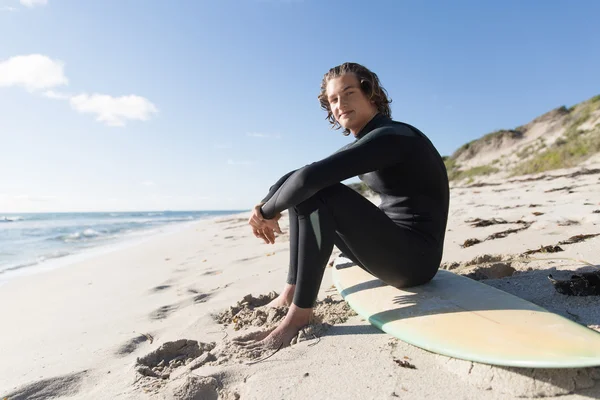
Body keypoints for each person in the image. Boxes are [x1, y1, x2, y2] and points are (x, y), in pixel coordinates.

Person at [237, 62, 450, 351]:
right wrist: (265, 203)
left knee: (319, 192)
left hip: (415, 262)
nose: (340, 104)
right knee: (310, 189)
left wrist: (265, 213)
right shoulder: (372, 138)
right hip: (395, 251)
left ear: (370, 93)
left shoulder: (393, 137)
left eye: (348, 93)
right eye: (333, 100)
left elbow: (308, 179)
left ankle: (299, 316)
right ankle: (291, 291)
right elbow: (301, 174)